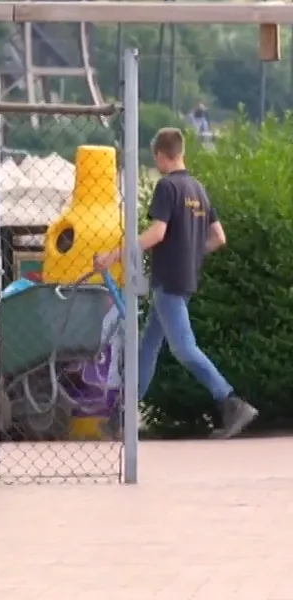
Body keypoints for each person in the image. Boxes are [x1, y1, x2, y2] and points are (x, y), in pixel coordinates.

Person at [94, 126, 256, 439]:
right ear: (181, 151)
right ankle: (123, 417)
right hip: (185, 277)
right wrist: (192, 254)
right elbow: (219, 237)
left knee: (184, 348)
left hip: (167, 279)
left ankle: (229, 400)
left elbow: (157, 233)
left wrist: (113, 256)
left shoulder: (168, 186)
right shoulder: (198, 189)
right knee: (148, 347)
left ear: (160, 155)